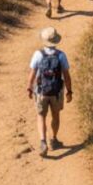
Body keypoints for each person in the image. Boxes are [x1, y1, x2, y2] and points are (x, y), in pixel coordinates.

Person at [27, 26, 73, 156]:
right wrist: (69, 91)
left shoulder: (38, 54)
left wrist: (29, 88)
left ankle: (43, 142)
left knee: (41, 116)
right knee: (55, 115)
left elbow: (32, 73)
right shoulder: (61, 56)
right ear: (56, 41)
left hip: (41, 91)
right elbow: (67, 76)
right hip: (56, 92)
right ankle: (53, 139)